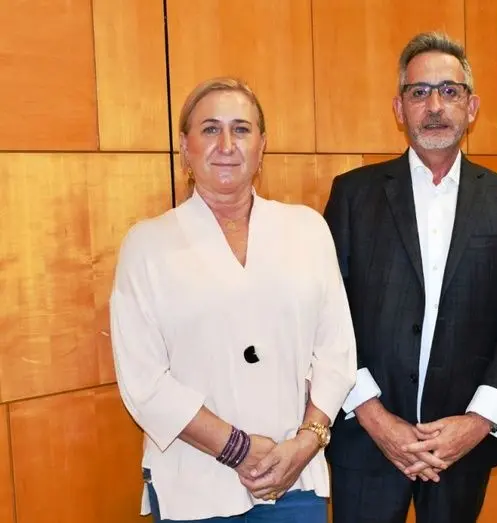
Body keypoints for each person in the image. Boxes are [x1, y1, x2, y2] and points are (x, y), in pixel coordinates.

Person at [109, 77, 356, 523]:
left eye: (241, 129)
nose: (226, 145)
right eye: (210, 129)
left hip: (293, 478)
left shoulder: (307, 230)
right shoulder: (147, 245)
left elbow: (337, 352)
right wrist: (238, 449)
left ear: (262, 146)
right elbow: (143, 382)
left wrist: (307, 442)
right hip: (193, 485)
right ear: (185, 148)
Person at [323, 32, 497, 523]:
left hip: (461, 444)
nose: (435, 106)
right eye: (419, 92)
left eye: (449, 91)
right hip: (368, 439)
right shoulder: (353, 195)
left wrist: (478, 422)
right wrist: (374, 417)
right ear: (399, 109)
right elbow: (329, 315)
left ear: (471, 106)